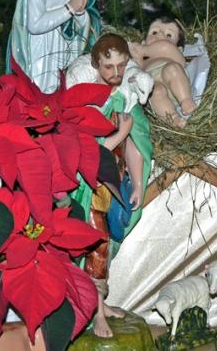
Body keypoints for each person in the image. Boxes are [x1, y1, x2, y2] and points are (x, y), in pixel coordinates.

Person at [69, 34, 153, 338]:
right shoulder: (87, 100)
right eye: (108, 67)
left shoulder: (126, 97)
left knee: (106, 245)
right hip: (89, 187)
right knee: (97, 245)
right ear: (96, 65)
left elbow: (137, 145)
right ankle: (95, 313)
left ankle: (98, 305)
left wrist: (138, 184)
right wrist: (120, 133)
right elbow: (87, 152)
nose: (116, 73)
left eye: (121, 65)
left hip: (114, 188)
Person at [128, 17, 197, 127]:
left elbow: (165, 47)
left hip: (176, 81)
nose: (160, 34)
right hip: (153, 83)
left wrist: (144, 50)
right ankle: (173, 118)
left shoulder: (173, 54)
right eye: (154, 32)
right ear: (144, 43)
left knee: (172, 69)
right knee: (155, 91)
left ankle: (186, 100)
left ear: (179, 50)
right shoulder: (144, 60)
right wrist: (136, 56)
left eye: (169, 35)